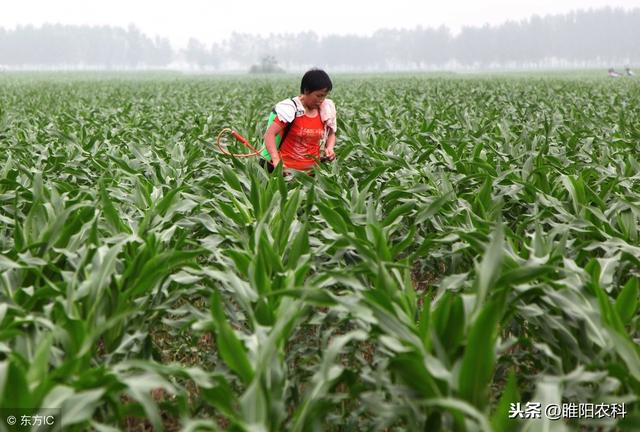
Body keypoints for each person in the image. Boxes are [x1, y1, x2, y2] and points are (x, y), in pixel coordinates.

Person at [261, 69, 337, 175]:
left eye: (324, 96)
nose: (322, 100)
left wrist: (330, 148)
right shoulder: (291, 109)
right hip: (286, 172)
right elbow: (270, 134)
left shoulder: (325, 110)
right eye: (318, 95)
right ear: (306, 91)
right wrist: (276, 160)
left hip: (311, 174)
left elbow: (331, 133)